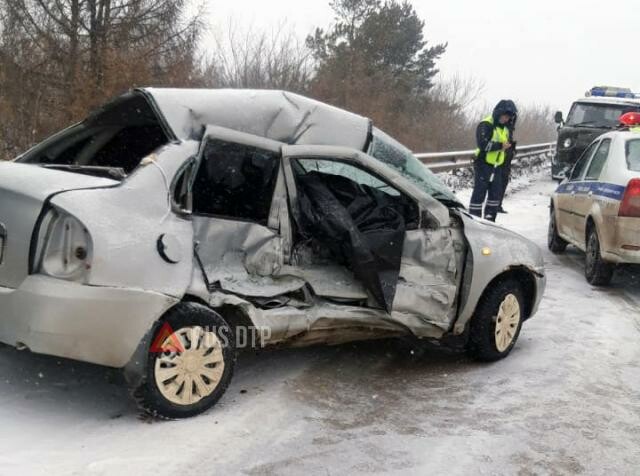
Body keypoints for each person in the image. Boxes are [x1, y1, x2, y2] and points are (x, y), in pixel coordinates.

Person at [469, 100, 517, 221]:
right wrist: (500, 146)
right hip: (483, 164)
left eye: (508, 117)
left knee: (494, 196)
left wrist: (510, 147)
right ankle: (474, 219)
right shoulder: (486, 124)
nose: (506, 119)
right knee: (479, 194)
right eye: (505, 116)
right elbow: (483, 144)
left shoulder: (505, 129)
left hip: (498, 166)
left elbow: (505, 144)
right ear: (499, 113)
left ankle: (490, 220)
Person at [497, 101, 518, 214]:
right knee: (498, 182)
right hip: (498, 157)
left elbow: (508, 139)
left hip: (506, 157)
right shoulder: (500, 125)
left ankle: (498, 204)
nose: (510, 117)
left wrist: (512, 148)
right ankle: (495, 204)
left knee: (504, 180)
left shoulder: (509, 126)